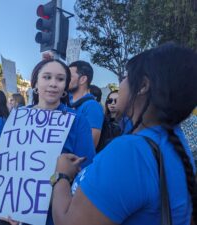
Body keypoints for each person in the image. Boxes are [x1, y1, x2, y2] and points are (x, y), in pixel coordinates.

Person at [52, 43, 197, 225]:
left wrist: (62, 175)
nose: (120, 84)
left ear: (143, 85)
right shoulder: (174, 143)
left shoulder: (131, 152)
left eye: (126, 77)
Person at [0, 59, 95, 225]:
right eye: (47, 77)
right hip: (6, 213)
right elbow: (2, 156)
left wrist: (31, 207)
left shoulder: (77, 121)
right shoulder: (18, 116)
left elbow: (85, 173)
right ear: (35, 83)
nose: (53, 83)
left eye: (60, 79)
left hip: (50, 217)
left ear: (65, 87)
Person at [68, 60, 104, 147]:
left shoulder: (92, 106)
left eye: (69, 76)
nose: (65, 79)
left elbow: (90, 144)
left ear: (83, 79)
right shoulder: (67, 100)